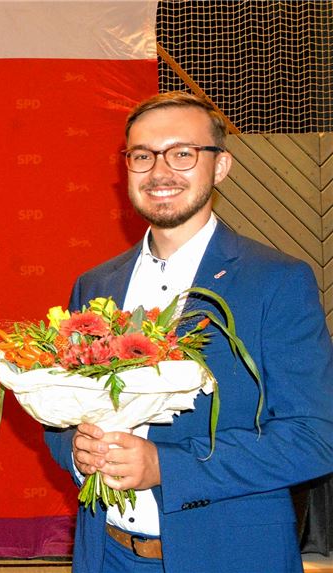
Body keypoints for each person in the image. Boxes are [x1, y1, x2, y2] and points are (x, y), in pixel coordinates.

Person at [44, 91, 333, 573]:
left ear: (220, 167)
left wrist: (166, 466)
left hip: (229, 556)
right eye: (143, 155)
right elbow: (60, 408)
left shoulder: (276, 281)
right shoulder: (96, 285)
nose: (160, 172)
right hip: (107, 553)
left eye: (182, 153)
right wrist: (78, 450)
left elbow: (315, 437)